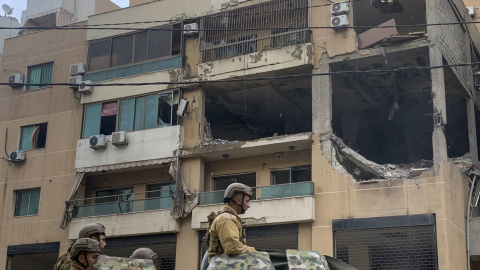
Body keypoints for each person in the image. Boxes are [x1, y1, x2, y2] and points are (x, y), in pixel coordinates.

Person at [207, 183, 257, 261]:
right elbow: (232, 247)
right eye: (247, 201)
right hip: (222, 265)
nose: (248, 205)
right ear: (238, 200)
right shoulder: (227, 219)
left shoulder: (230, 217)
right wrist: (254, 252)